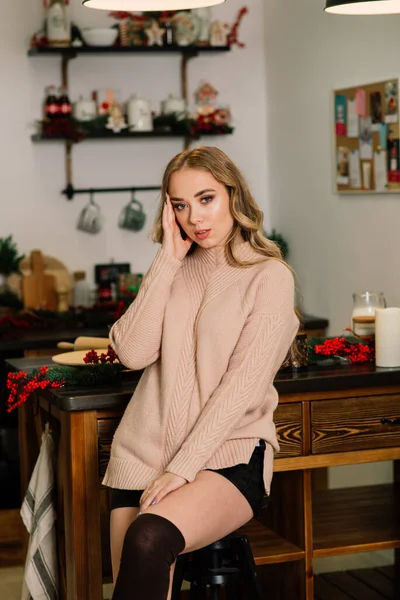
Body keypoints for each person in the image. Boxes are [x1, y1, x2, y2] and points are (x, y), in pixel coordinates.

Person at [104, 146, 299, 600]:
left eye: (206, 198)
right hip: (143, 457)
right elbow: (131, 352)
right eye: (180, 205)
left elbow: (239, 390)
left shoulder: (268, 276)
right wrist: (167, 260)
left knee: (147, 538)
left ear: (233, 195)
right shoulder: (174, 269)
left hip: (225, 458)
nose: (195, 216)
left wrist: (181, 468)